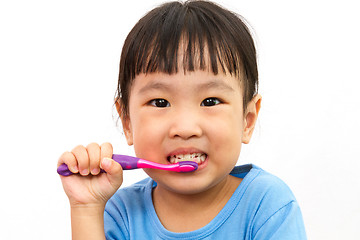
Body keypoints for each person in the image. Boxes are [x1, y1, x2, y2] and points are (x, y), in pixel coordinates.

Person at [58, 1, 307, 239]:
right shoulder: (120, 213)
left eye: (210, 101)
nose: (185, 129)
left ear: (248, 120)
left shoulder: (268, 206)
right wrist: (86, 208)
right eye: (160, 103)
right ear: (127, 123)